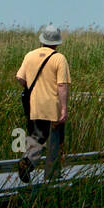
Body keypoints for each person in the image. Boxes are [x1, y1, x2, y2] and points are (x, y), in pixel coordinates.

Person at [14, 24, 71, 183]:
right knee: (54, 143)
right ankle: (52, 176)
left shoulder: (29, 55)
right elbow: (62, 85)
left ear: (42, 40)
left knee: (36, 137)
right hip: (52, 108)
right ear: (56, 42)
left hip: (34, 107)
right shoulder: (59, 58)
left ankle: (28, 161)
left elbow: (20, 78)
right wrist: (64, 109)